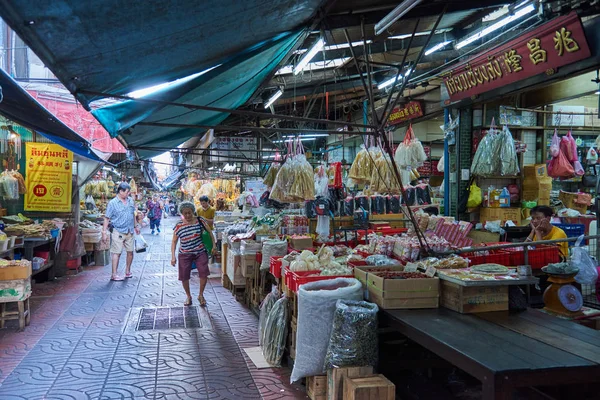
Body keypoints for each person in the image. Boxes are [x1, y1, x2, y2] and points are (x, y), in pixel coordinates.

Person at [171, 201, 216, 306]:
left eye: (189, 213)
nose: (187, 215)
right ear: (182, 213)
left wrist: (214, 245)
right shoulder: (179, 225)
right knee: (184, 276)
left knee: (203, 272)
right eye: (185, 213)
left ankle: (201, 295)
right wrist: (173, 257)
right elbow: (174, 241)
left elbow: (210, 232)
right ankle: (188, 296)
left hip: (200, 251)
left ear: (193, 212)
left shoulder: (200, 221)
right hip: (184, 253)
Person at [103, 182, 140, 281]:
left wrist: (136, 225)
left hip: (130, 230)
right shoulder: (113, 203)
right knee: (116, 253)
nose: (129, 194)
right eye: (127, 192)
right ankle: (114, 274)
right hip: (118, 231)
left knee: (130, 252)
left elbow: (133, 214)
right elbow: (107, 218)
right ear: (121, 191)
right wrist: (104, 232)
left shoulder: (130, 201)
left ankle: (127, 271)